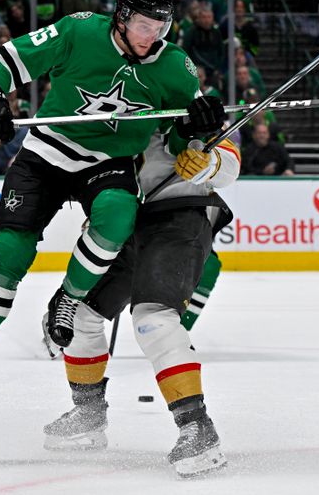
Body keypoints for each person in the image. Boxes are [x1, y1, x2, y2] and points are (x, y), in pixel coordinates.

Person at [0, 0, 225, 408]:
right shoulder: (79, 30)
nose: (154, 36)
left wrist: (197, 127)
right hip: (47, 151)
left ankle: (68, 301)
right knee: (9, 250)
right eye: (146, 25)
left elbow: (181, 142)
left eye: (162, 27)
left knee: (116, 214)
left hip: (110, 162)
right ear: (123, 17)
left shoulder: (175, 67)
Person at [41, 129, 239, 477]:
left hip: (178, 214)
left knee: (153, 319)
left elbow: (229, 162)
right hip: (128, 226)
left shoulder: (177, 98)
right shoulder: (108, 107)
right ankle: (88, 412)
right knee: (79, 312)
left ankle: (197, 427)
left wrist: (210, 162)